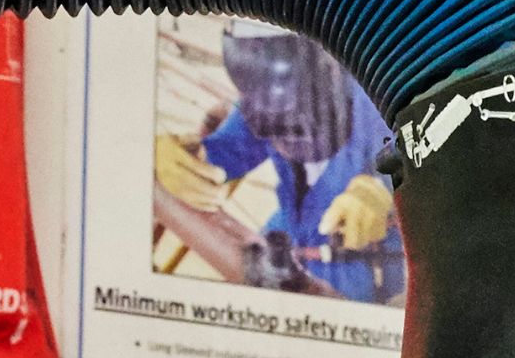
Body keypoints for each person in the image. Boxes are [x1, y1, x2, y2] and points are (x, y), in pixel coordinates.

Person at [154, 21, 406, 304]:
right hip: (290, 235)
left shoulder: (377, 106)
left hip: (363, 263)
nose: (280, 138)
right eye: (268, 123)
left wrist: (387, 196)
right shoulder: (263, 106)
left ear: (330, 76)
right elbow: (222, 155)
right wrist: (172, 157)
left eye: (293, 120)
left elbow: (416, 164)